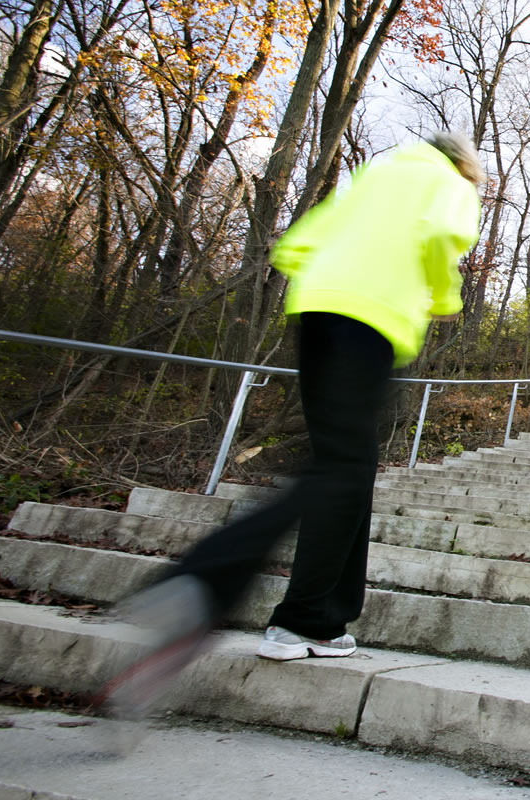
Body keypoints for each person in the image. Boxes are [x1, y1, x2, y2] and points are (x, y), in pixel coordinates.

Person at [96, 133, 484, 717]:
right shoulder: (451, 184)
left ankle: (318, 621)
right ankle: (205, 579)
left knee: (346, 470)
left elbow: (296, 245)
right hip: (373, 320)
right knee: (339, 468)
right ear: (465, 166)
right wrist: (441, 292)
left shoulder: (377, 173)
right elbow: (439, 237)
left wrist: (331, 280)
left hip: (317, 308)